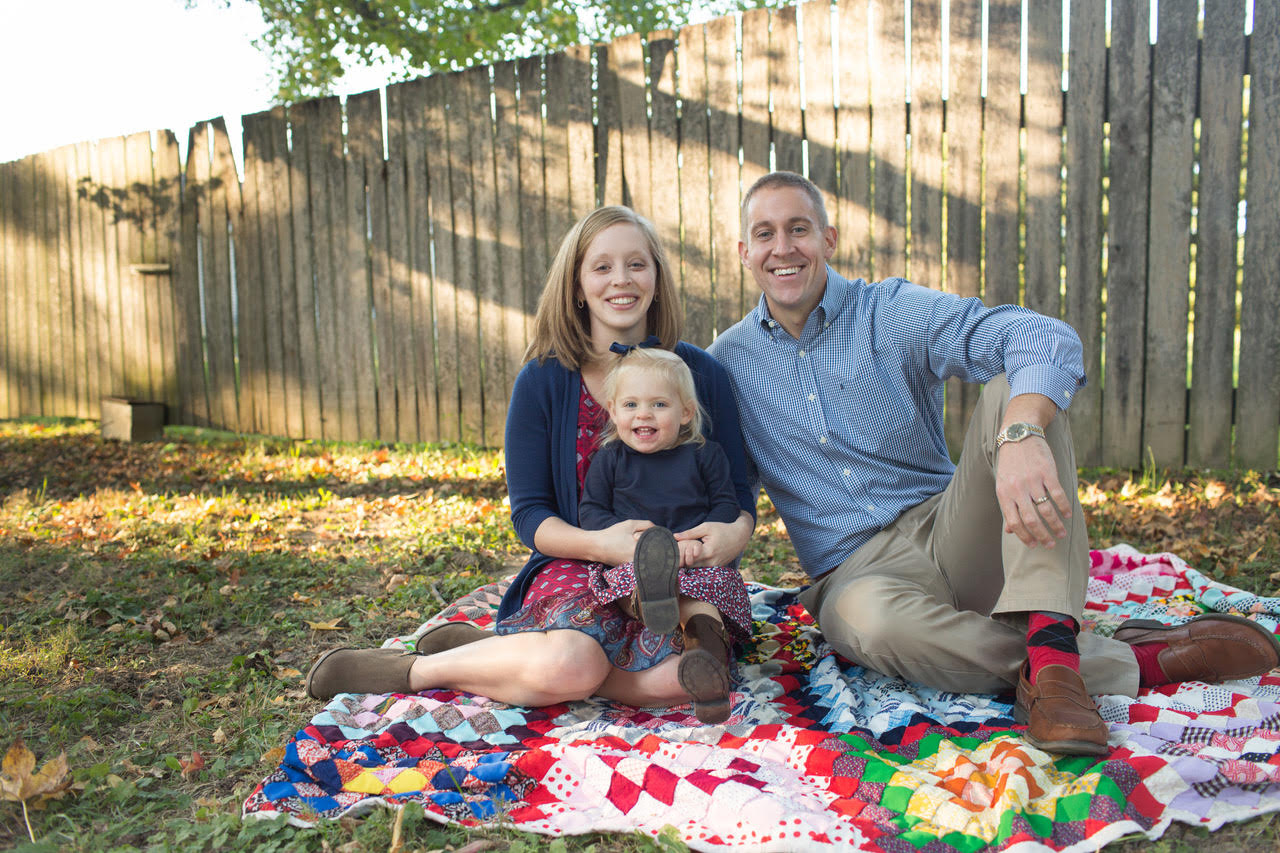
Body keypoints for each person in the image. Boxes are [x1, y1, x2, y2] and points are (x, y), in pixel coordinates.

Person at [707, 170, 1280, 755]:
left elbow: (1040, 336)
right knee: (867, 625)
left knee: (1017, 388)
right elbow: (717, 488)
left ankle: (1053, 645)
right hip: (856, 573)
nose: (783, 248)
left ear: (828, 240)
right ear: (744, 252)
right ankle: (1105, 664)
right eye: (765, 233)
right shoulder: (725, 366)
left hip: (951, 529)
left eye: (798, 229)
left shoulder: (890, 310)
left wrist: (1020, 435)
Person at [306, 205, 756, 722]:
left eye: (637, 264)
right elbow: (530, 514)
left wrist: (733, 535)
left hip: (680, 575)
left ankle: (499, 652)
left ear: (657, 276)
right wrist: (602, 545)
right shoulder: (544, 380)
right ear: (577, 285)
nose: (621, 280)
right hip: (578, 561)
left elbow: (738, 496)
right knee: (572, 664)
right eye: (602, 267)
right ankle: (416, 669)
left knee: (683, 677)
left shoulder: (701, 374)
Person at [571, 346, 752, 722]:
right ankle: (651, 600)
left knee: (710, 591)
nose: (643, 415)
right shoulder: (610, 458)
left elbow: (724, 506)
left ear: (685, 412)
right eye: (631, 404)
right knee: (628, 576)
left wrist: (698, 542)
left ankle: (707, 664)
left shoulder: (705, 455)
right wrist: (619, 538)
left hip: (693, 561)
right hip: (633, 560)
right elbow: (590, 511)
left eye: (658, 405)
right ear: (613, 410)